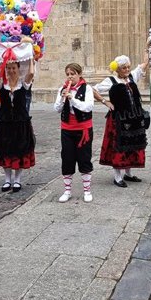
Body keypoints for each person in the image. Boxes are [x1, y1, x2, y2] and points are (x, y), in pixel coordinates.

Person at [95, 51, 150, 187]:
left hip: (134, 118)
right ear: (117, 69)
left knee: (132, 144)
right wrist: (105, 101)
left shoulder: (132, 77)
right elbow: (92, 89)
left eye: (128, 67)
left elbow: (144, 64)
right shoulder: (111, 81)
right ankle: (117, 177)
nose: (127, 70)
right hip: (118, 119)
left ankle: (128, 173)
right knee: (119, 146)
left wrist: (147, 49)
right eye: (124, 68)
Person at [54, 63, 97, 203]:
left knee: (84, 158)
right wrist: (62, 98)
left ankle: (87, 191)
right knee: (67, 159)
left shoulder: (88, 89)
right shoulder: (62, 89)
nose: (70, 76)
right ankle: (67, 191)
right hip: (67, 129)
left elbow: (88, 107)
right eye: (68, 74)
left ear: (79, 74)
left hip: (83, 129)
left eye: (72, 73)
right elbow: (57, 109)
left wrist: (73, 98)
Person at [0, 58, 35, 192]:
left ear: (18, 68)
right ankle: (7, 179)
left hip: (20, 123)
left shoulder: (23, 84)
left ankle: (17, 180)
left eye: (13, 68)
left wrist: (31, 57)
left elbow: (31, 73)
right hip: (5, 123)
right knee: (5, 150)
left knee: (19, 150)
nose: (11, 71)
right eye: (8, 68)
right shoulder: (2, 83)